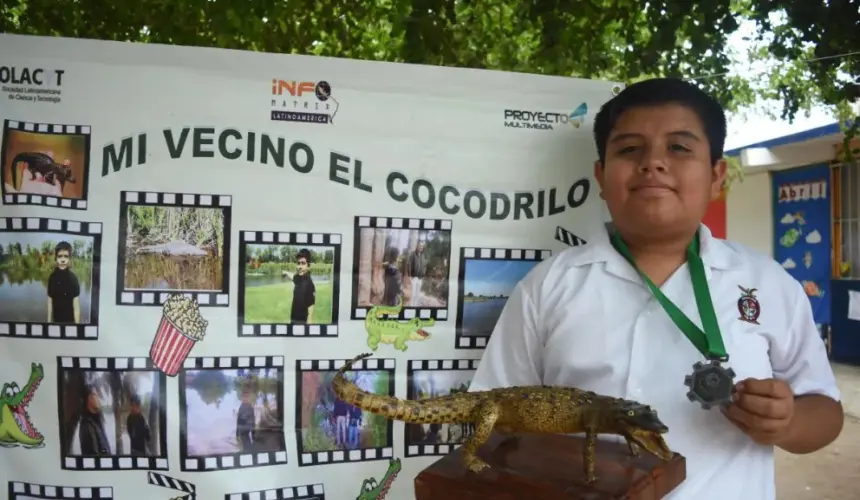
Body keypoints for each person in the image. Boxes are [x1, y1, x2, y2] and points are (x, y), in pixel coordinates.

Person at [469, 78, 843, 500]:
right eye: (630, 149)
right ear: (601, 175)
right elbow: (495, 412)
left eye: (679, 147)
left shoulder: (768, 284)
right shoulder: (548, 286)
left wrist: (788, 422)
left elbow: (825, 410)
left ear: (717, 175)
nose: (653, 163)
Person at [47, 241, 81, 324]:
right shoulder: (52, 278)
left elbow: (76, 309)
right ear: (56, 258)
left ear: (69, 258)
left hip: (70, 323)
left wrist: (77, 328)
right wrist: (48, 324)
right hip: (56, 322)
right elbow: (50, 305)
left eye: (66, 256)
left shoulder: (73, 279)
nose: (62, 260)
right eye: (60, 256)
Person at [78, 386, 111, 456]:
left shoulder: (97, 421)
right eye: (96, 395)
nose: (98, 398)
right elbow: (93, 458)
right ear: (90, 399)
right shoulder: (87, 426)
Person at [290, 248, 316, 323]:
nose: (300, 266)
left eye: (303, 263)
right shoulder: (298, 278)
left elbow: (310, 316)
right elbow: (293, 277)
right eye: (298, 263)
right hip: (293, 322)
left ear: (308, 265)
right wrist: (285, 273)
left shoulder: (309, 285)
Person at [406, 240, 427, 306]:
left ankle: (415, 307)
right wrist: (409, 276)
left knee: (417, 294)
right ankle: (411, 307)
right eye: (420, 246)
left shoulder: (423, 255)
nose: (421, 247)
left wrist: (423, 274)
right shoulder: (413, 254)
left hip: (420, 278)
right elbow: (409, 265)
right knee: (413, 294)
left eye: (422, 246)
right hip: (414, 277)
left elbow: (424, 266)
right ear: (417, 246)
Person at [235, 388, 256, 452]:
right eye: (244, 397)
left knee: (248, 448)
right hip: (242, 431)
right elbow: (238, 420)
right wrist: (237, 433)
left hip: (248, 430)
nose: (245, 399)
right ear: (242, 398)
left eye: (247, 397)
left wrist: (253, 434)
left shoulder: (250, 407)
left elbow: (253, 421)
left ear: (249, 398)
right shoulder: (241, 407)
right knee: (245, 448)